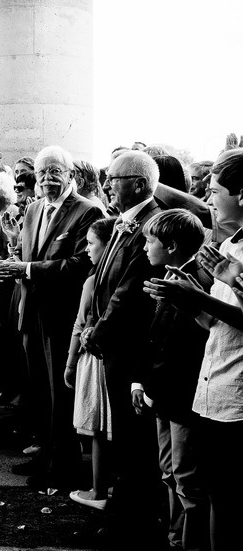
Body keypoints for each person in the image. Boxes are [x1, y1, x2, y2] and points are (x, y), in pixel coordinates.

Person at [144, 148, 243, 551]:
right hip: (213, 390)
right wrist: (186, 301)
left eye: (215, 190)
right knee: (214, 491)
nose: (208, 196)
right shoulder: (232, 246)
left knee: (224, 497)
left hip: (235, 394)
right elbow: (216, 326)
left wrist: (196, 296)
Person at [0, 146, 102, 487]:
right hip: (31, 308)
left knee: (59, 388)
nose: (47, 179)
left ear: (71, 175)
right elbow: (28, 254)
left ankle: (64, 463)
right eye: (42, 173)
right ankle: (45, 452)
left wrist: (26, 268)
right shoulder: (34, 208)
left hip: (62, 311)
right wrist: (10, 267)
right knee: (37, 385)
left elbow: (82, 264)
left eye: (55, 172)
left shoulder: (88, 210)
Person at [86, 150, 164, 543]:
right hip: (115, 344)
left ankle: (133, 523)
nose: (107, 184)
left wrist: (97, 332)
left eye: (113, 178)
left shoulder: (151, 221)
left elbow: (129, 291)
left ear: (137, 183)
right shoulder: (125, 221)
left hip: (132, 346)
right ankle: (125, 513)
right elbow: (106, 279)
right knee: (125, 437)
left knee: (135, 442)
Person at [130, 209, 210, 550]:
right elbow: (153, 337)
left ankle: (187, 543)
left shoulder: (196, 283)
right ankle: (174, 536)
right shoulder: (170, 275)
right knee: (168, 471)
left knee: (187, 479)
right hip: (162, 393)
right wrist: (140, 382)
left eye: (150, 241)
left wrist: (151, 385)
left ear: (173, 245)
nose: (145, 247)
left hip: (182, 397)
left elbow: (185, 348)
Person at [65, 217, 116, 511]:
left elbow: (80, 322)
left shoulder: (92, 280)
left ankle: (97, 490)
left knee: (97, 427)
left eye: (91, 243)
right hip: (113, 358)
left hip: (93, 359)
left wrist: (70, 361)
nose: (86, 250)